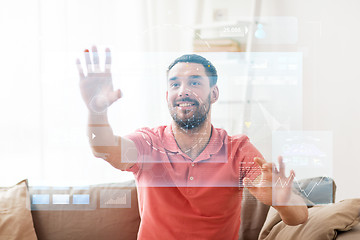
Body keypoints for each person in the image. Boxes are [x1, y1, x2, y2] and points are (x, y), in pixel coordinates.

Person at [76, 46, 308, 240]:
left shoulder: (237, 149)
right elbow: (103, 148)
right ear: (167, 96)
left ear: (214, 93)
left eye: (195, 83)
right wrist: (96, 110)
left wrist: (282, 200)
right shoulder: (149, 142)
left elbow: (298, 217)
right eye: (175, 84)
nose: (183, 91)